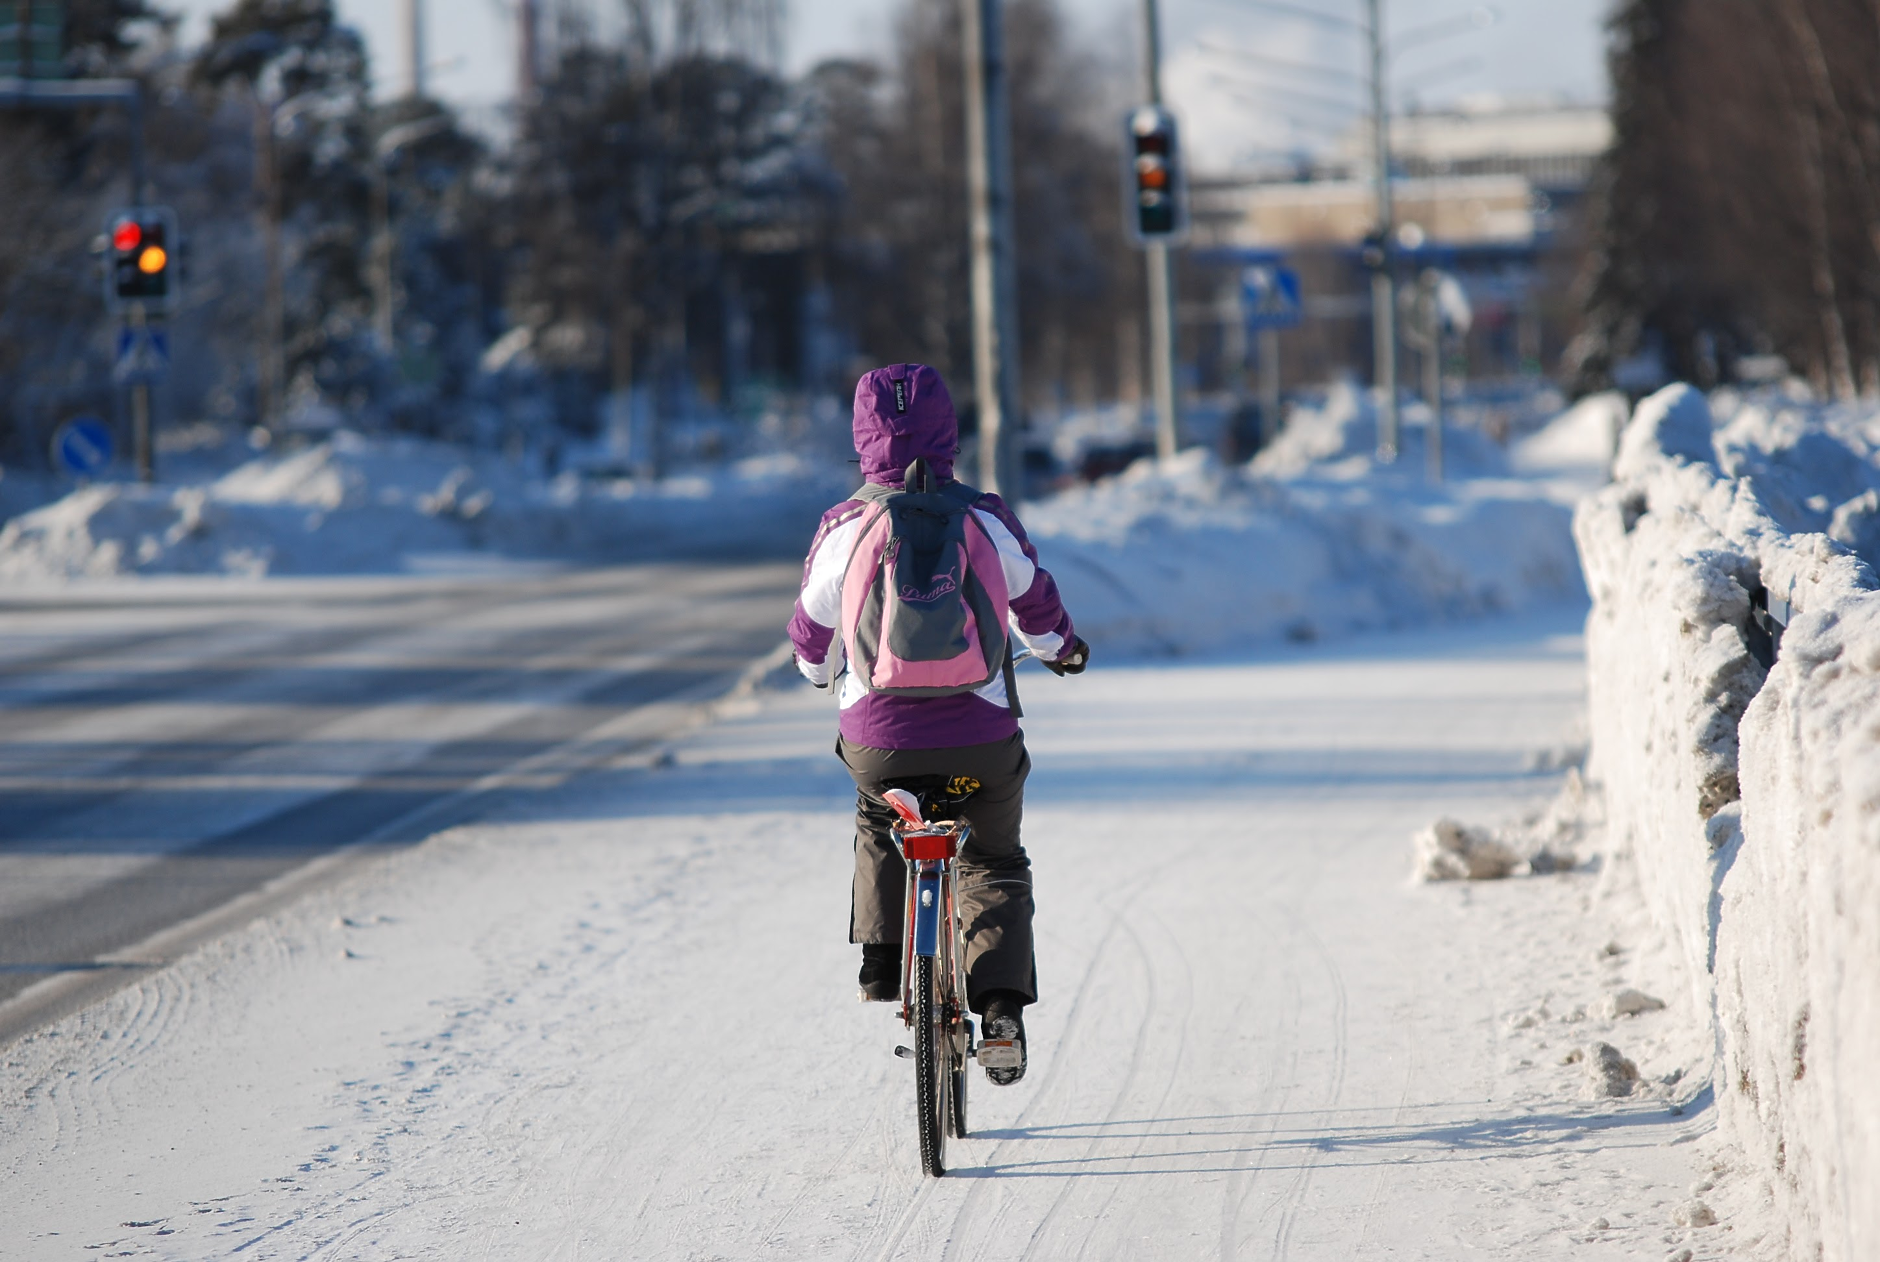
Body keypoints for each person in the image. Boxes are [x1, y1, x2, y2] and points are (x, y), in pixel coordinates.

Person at [787, 363, 1087, 1086]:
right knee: (993, 860)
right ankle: (1002, 1009)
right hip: (979, 739)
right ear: (950, 430)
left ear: (863, 437)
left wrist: (826, 676)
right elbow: (1035, 605)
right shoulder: (983, 516)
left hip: (879, 738)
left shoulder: (844, 525)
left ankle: (882, 957)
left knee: (877, 808)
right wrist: (1063, 652)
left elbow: (808, 634)